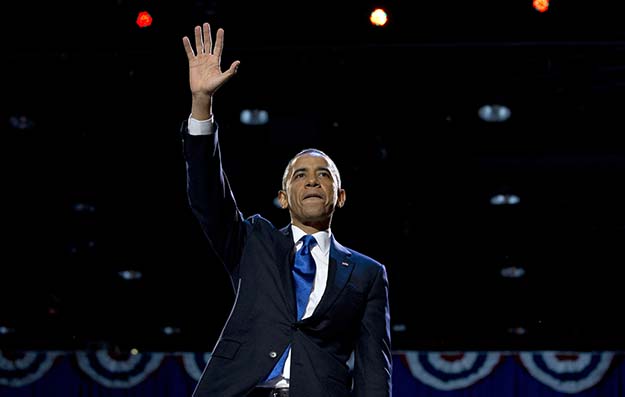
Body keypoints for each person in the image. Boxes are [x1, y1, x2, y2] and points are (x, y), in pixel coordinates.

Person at [180, 22, 392, 397]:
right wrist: (202, 104)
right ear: (282, 197)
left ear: (340, 196)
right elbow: (208, 196)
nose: (312, 181)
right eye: (300, 175)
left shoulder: (367, 274)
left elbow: (374, 370)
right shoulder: (253, 241)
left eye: (323, 174)